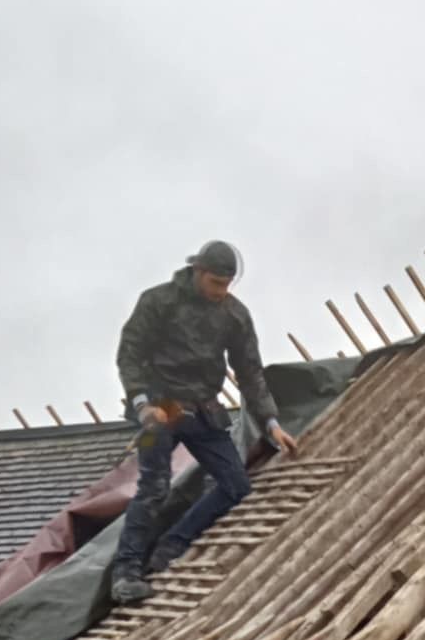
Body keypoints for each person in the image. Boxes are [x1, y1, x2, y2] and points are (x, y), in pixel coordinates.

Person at [112, 239, 298, 604]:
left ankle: (171, 545)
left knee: (236, 485)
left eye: (227, 285)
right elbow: (129, 355)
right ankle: (126, 572)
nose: (221, 292)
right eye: (215, 283)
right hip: (160, 407)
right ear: (198, 272)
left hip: (203, 410)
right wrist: (141, 404)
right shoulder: (158, 301)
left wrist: (271, 422)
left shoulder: (234, 315)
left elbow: (249, 372)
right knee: (154, 486)